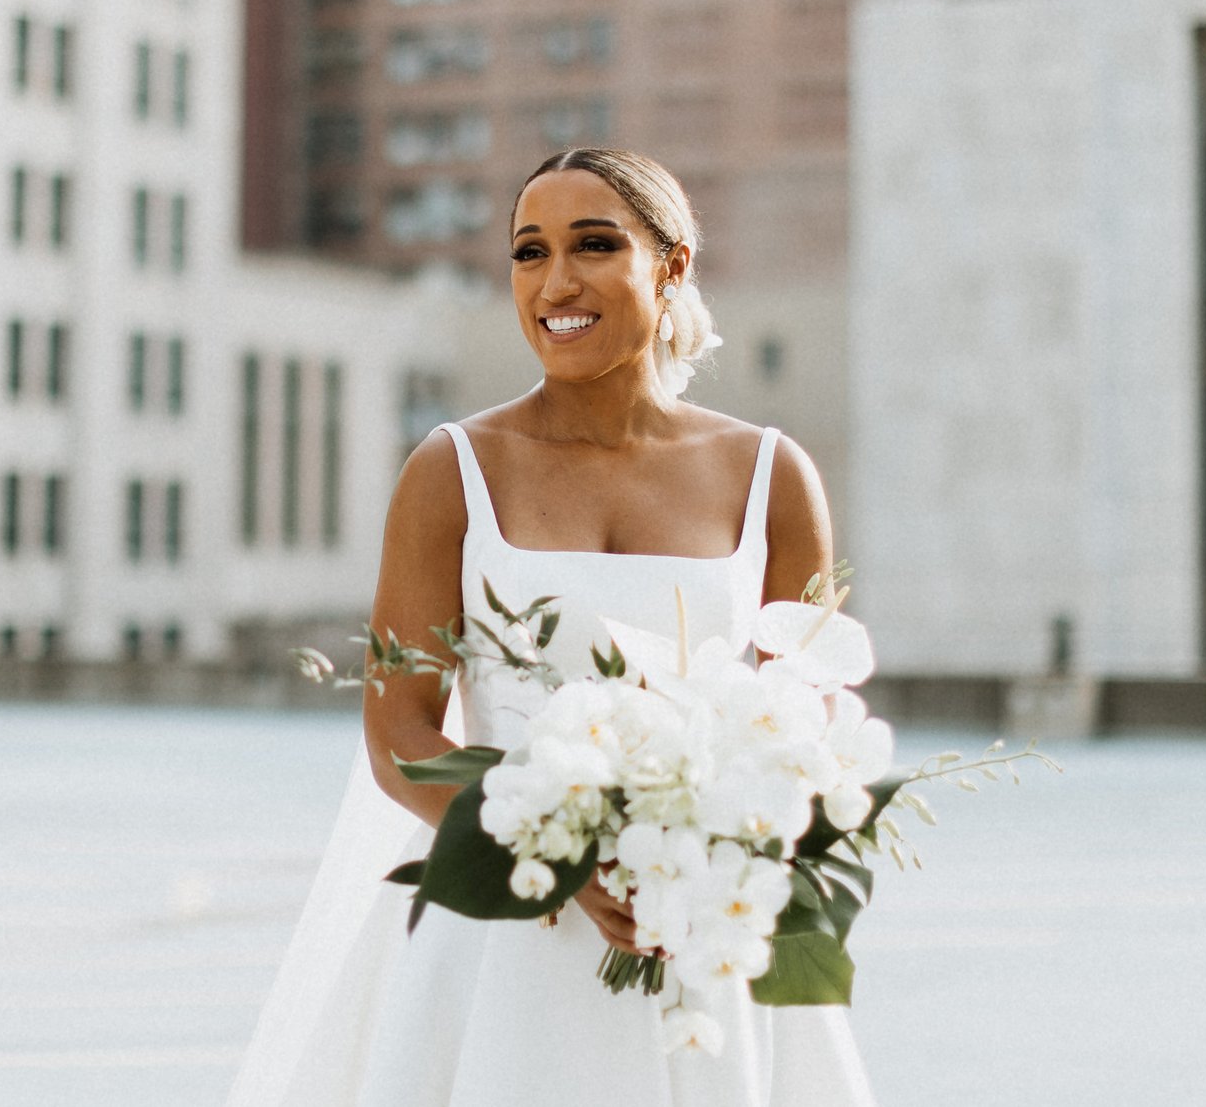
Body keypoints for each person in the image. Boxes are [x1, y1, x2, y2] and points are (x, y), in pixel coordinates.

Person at [228, 148, 876, 1106]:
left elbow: (805, 732)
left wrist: (706, 846)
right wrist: (553, 854)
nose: (555, 282)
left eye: (595, 244)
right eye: (530, 253)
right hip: (501, 937)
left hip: (698, 931)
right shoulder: (452, 470)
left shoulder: (773, 477)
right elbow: (399, 734)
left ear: (673, 265)